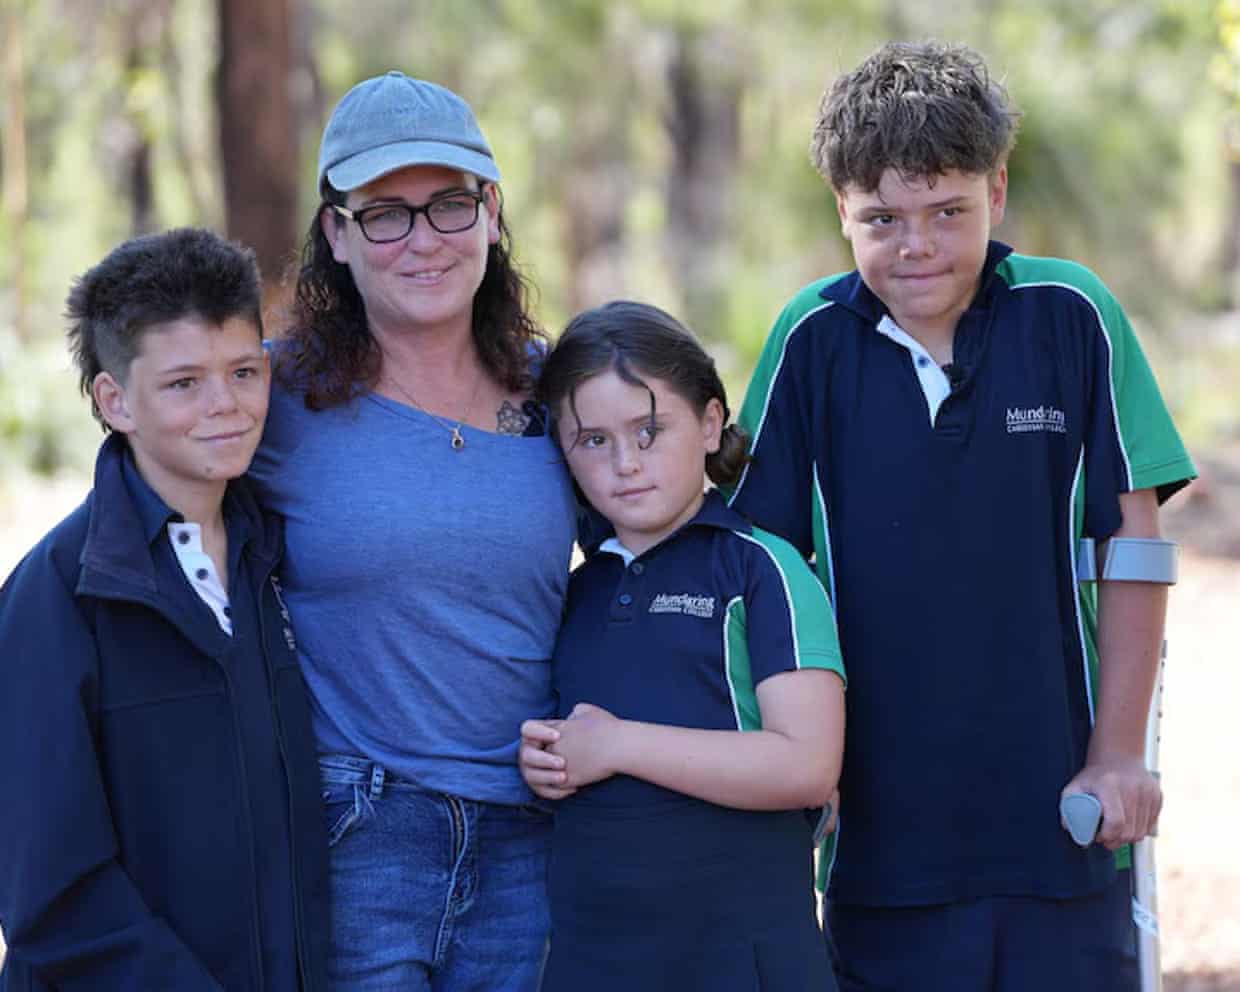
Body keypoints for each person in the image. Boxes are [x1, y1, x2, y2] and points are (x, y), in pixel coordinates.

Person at [728, 41, 1197, 991]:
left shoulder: (1072, 314)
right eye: (883, 220)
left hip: (1064, 824)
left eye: (950, 211)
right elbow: (759, 572)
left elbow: (1133, 544)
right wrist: (785, 770)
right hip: (878, 843)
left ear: (999, 188)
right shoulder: (809, 340)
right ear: (841, 212)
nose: (919, 247)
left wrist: (1115, 758)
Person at [246, 71, 578, 990]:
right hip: (359, 831)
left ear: (493, 213)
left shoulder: (566, 393)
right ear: (337, 234)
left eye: (449, 206)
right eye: (385, 213)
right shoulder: (274, 397)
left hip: (535, 837)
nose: (423, 240)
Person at [0, 228, 329, 990]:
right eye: (183, 384)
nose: (227, 406)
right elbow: (50, 896)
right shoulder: (54, 597)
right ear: (115, 400)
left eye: (245, 371)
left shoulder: (271, 559)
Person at [518, 301, 846, 991]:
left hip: (742, 960)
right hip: (595, 962)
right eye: (593, 441)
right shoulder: (576, 590)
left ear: (709, 423)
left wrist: (616, 745)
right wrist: (549, 759)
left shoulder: (762, 569)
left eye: (649, 430)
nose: (626, 464)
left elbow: (809, 765)